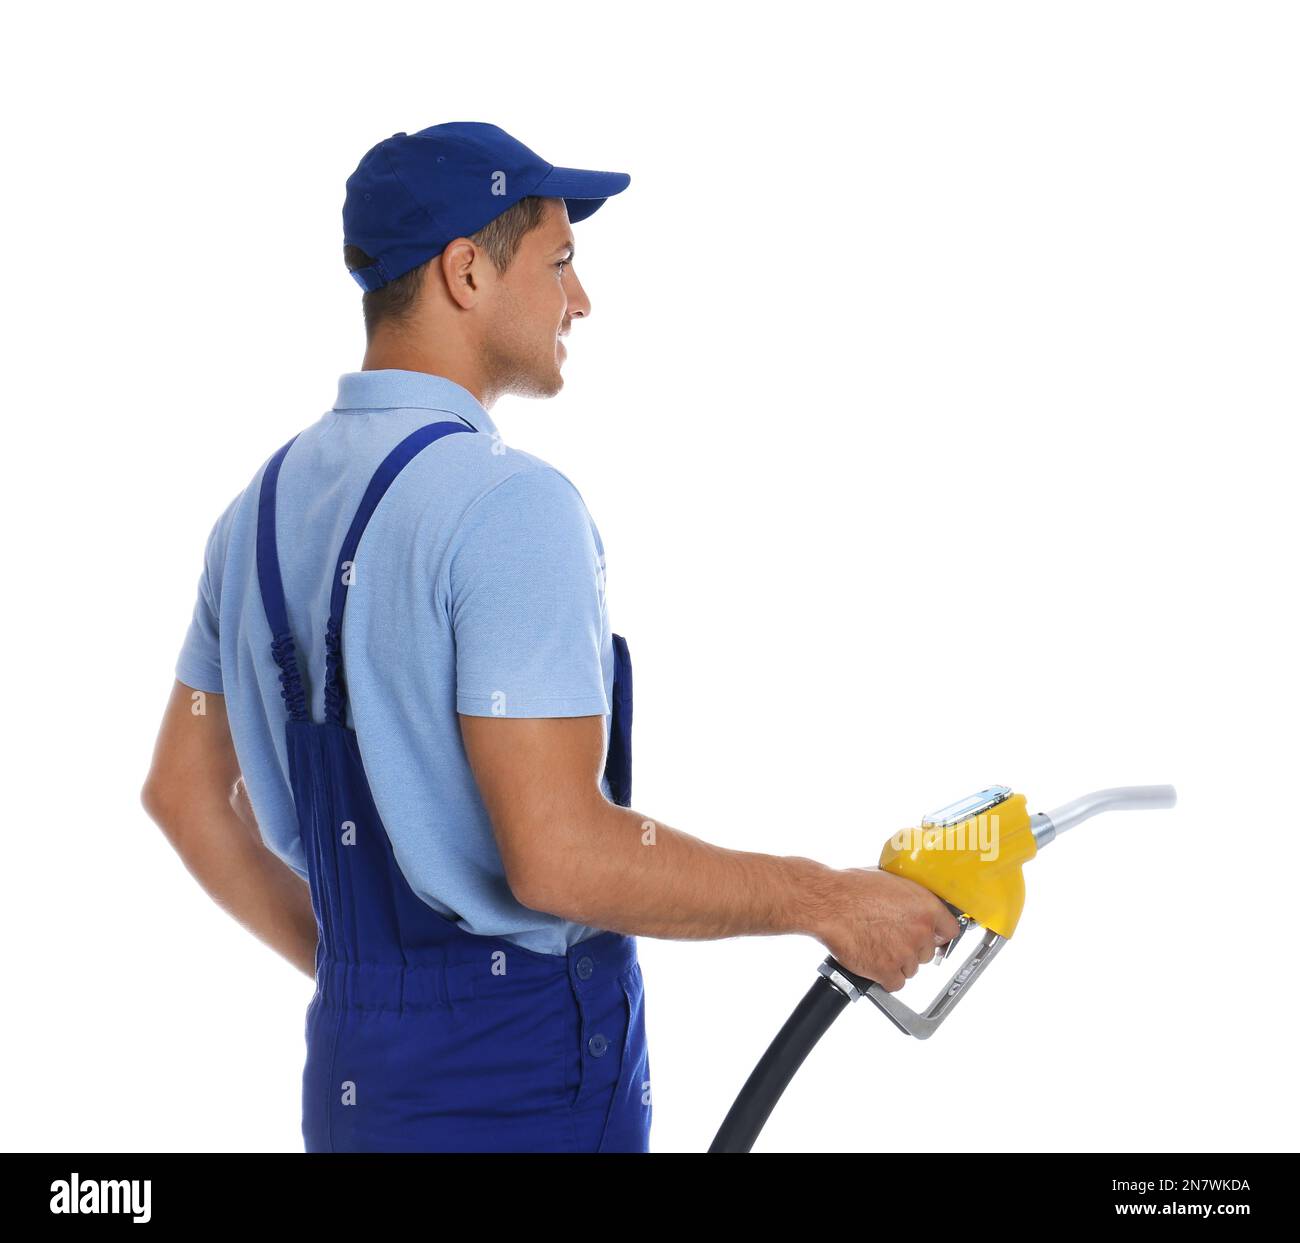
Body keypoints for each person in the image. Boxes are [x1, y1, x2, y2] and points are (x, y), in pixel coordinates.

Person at [141, 121, 960, 1154]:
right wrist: (829, 899)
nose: (581, 300)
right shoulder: (505, 506)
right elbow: (561, 857)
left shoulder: (255, 511)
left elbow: (183, 794)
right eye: (561, 261)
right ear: (465, 273)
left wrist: (376, 983)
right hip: (521, 1074)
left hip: (362, 1073)